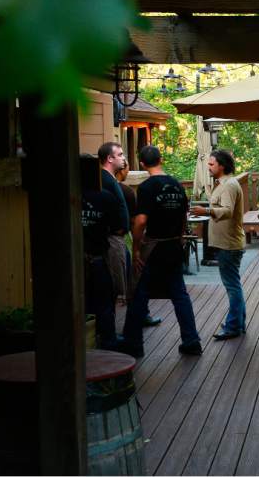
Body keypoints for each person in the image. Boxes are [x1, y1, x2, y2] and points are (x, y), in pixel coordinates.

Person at [120, 145, 202, 358]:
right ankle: (191, 341)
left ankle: (133, 344)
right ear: (161, 159)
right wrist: (181, 236)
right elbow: (184, 215)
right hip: (174, 245)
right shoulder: (176, 184)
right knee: (179, 294)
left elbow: (140, 221)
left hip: (154, 247)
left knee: (139, 293)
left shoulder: (147, 187)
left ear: (142, 164)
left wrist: (136, 249)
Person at [191, 150, 246, 341]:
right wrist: (205, 212)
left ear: (222, 166)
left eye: (212, 164)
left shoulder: (229, 185)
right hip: (227, 243)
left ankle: (233, 327)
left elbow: (228, 211)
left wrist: (206, 210)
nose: (209, 167)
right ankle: (239, 323)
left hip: (229, 244)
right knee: (234, 284)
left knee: (232, 286)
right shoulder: (222, 184)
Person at [79, 154, 120, 350]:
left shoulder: (65, 198)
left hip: (73, 262)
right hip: (98, 258)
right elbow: (118, 227)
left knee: (80, 303)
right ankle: (108, 344)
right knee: (104, 303)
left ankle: (82, 344)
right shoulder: (106, 198)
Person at [117, 158, 162, 327]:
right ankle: (140, 316)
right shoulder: (127, 192)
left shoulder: (113, 188)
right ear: (123, 170)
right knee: (136, 279)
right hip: (127, 238)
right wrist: (138, 245)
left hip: (114, 239)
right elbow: (138, 220)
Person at [97, 142, 129, 307]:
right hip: (112, 238)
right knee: (114, 286)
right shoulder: (104, 180)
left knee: (122, 281)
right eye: (120, 155)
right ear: (109, 158)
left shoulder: (110, 179)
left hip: (118, 238)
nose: (124, 158)